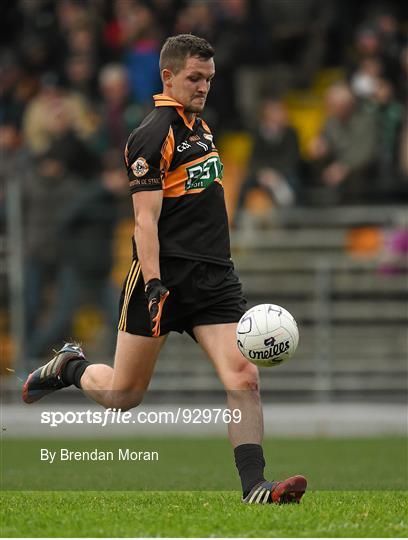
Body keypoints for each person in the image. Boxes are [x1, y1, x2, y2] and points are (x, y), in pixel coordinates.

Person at [22, 34, 307, 505]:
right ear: (168, 77)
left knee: (244, 378)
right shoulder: (151, 134)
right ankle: (69, 367)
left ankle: (255, 487)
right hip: (161, 281)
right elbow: (144, 221)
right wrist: (154, 283)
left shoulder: (202, 127)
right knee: (123, 394)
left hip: (214, 279)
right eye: (195, 78)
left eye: (209, 79)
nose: (203, 87)